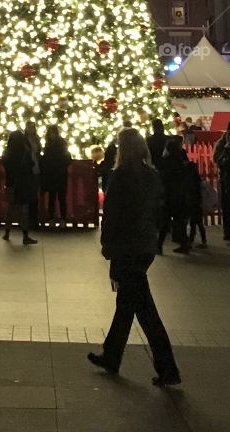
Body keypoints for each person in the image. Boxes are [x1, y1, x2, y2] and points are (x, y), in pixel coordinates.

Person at [87, 129, 181, 387]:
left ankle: (167, 366)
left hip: (125, 247)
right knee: (127, 304)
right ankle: (111, 355)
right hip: (144, 246)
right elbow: (158, 211)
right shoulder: (151, 176)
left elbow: (112, 213)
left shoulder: (120, 177)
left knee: (144, 310)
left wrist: (107, 244)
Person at [160, 137, 198, 254]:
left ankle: (159, 245)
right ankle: (184, 243)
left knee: (165, 222)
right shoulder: (182, 160)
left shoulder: (167, 162)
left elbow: (164, 178)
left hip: (170, 195)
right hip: (182, 195)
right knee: (180, 221)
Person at [2, 129, 38, 244]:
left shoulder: (7, 152)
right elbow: (30, 165)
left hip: (11, 183)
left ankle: (7, 232)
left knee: (11, 208)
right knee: (24, 210)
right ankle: (25, 235)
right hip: (23, 183)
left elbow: (6, 166)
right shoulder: (25, 152)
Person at [40, 124, 71, 225]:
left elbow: (67, 158)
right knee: (53, 197)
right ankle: (53, 218)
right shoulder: (52, 144)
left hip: (57, 173)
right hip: (55, 174)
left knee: (59, 197)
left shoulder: (56, 144)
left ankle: (60, 218)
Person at [24, 121, 42, 230]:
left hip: (36, 169)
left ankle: (34, 219)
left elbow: (38, 152)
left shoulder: (36, 140)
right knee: (28, 195)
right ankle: (28, 220)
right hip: (28, 170)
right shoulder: (23, 140)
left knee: (34, 196)